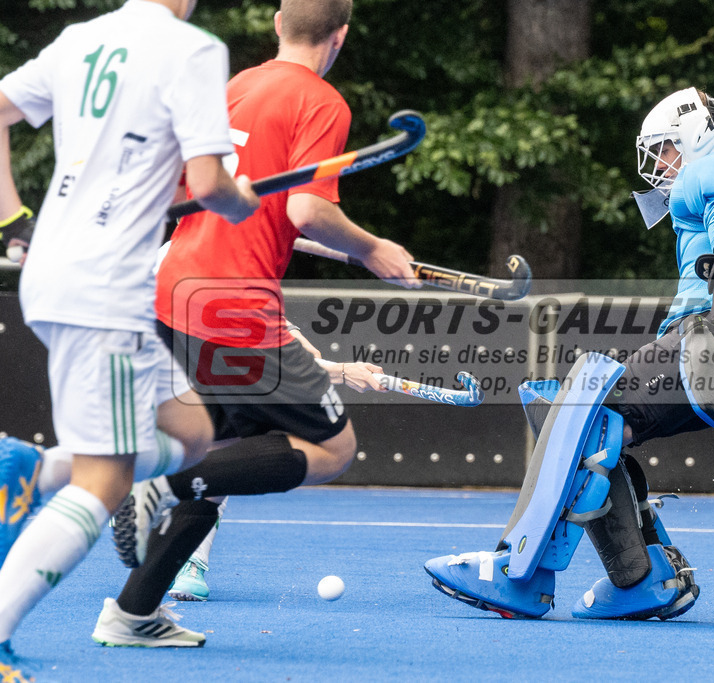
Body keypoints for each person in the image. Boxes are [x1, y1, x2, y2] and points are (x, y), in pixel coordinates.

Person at [424, 87, 714, 620]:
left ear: (696, 135)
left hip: (713, 342)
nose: (659, 166)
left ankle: (518, 573)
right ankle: (642, 579)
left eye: (665, 148)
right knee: (592, 423)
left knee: (576, 408)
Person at [92, 0, 420, 647]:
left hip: (174, 291)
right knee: (333, 449)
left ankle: (131, 613)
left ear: (277, 22)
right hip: (233, 305)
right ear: (341, 36)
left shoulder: (236, 87)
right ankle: (159, 486)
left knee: (227, 455)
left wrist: (340, 242)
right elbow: (306, 208)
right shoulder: (321, 101)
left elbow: (239, 202)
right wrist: (372, 247)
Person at [0, 0, 259, 670]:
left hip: (66, 274)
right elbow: (208, 184)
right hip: (104, 287)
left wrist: (11, 220)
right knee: (106, 478)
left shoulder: (80, 39)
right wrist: (244, 199)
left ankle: (36, 470)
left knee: (196, 432)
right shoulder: (192, 49)